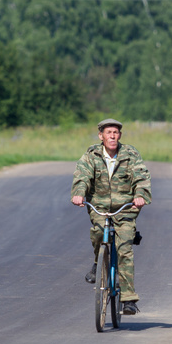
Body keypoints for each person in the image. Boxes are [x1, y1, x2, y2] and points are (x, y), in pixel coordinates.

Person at [71, 118, 152, 315]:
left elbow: (141, 177)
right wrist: (79, 192)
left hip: (125, 209)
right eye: (109, 132)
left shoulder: (130, 155)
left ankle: (129, 300)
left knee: (124, 249)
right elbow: (82, 176)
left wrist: (140, 195)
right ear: (101, 136)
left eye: (116, 132)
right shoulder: (91, 155)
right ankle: (99, 263)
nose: (112, 136)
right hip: (99, 206)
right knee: (98, 233)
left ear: (120, 136)